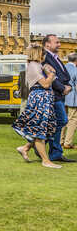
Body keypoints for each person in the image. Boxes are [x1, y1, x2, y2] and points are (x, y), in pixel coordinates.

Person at [14, 43, 61, 168]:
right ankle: (46, 160)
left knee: (43, 129)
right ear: (37, 53)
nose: (44, 55)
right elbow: (45, 84)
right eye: (42, 52)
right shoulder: (34, 66)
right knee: (40, 130)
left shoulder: (38, 65)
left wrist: (49, 72)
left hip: (44, 99)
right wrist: (51, 74)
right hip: (39, 99)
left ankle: (25, 148)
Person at [42, 34, 75, 162]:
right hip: (54, 95)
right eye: (57, 42)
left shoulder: (56, 57)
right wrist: (63, 88)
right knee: (61, 121)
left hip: (60, 94)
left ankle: (54, 152)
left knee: (58, 122)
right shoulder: (45, 57)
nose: (59, 44)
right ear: (47, 44)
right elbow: (51, 76)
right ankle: (36, 144)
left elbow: (65, 75)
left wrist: (68, 86)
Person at [60, 52, 77, 149]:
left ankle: (60, 141)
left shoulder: (62, 68)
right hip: (73, 98)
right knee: (72, 120)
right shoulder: (75, 70)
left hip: (62, 96)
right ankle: (68, 142)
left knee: (63, 119)